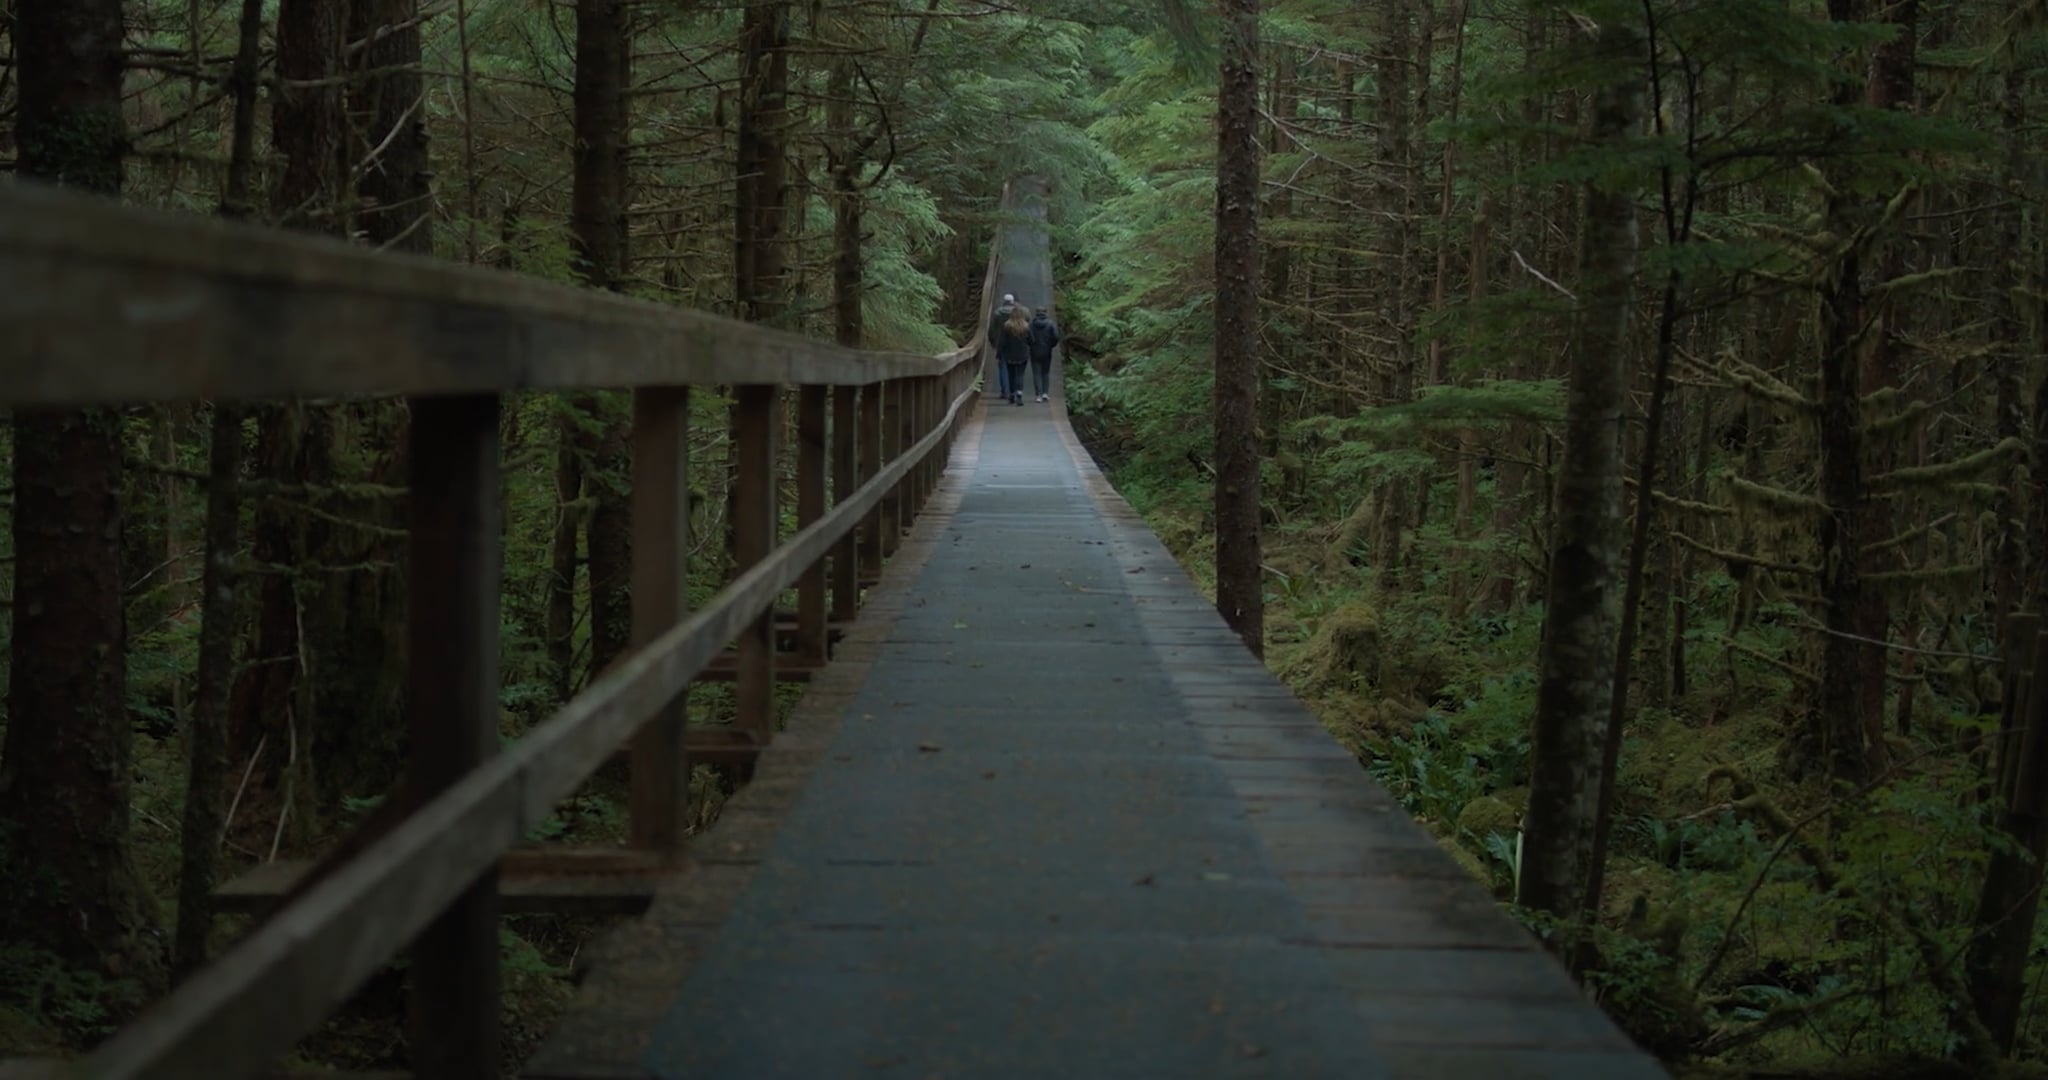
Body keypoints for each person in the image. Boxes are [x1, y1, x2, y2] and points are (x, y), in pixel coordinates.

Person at [991, 302, 1033, 406]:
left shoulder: (1007, 326)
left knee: (1011, 375)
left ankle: (1012, 394)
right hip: (1023, 354)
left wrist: (999, 354)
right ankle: (1019, 393)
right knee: (1020, 374)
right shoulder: (1026, 326)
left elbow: (1002, 342)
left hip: (1009, 354)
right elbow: (1032, 340)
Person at [1026, 308, 1061, 403]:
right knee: (1045, 372)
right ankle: (1045, 393)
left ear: (1036, 313)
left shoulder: (1031, 324)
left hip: (1034, 351)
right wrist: (1051, 345)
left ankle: (1038, 395)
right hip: (1047, 351)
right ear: (1046, 313)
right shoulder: (1050, 324)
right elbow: (1056, 336)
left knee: (1036, 374)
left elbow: (1027, 337)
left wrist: (1031, 344)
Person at [988, 293, 1018, 400]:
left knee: (1003, 367)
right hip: (1015, 343)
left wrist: (993, 342)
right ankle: (1014, 391)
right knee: (1015, 367)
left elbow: (991, 330)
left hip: (1001, 343)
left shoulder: (997, 313)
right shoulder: (1017, 313)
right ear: (1012, 302)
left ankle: (1005, 391)